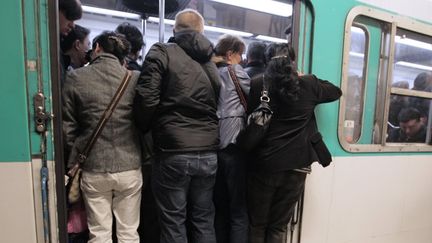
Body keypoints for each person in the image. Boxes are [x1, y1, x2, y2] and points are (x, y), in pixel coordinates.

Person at [134, 9, 221, 243]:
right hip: (209, 152)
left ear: (175, 29)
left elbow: (146, 98)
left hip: (174, 150)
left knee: (173, 221)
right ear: (202, 31)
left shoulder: (161, 52)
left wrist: (147, 129)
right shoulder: (210, 63)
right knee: (203, 219)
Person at [246, 43, 342, 243]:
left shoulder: (257, 84)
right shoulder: (308, 84)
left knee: (257, 224)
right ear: (292, 61)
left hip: (265, 165)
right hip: (297, 166)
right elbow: (336, 91)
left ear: (266, 61)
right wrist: (303, 76)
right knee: (279, 225)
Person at [63, 31, 143, 243]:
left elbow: (68, 126)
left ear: (97, 48)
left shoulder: (76, 77)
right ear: (123, 56)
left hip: (94, 166)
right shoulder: (134, 79)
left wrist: (76, 153)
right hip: (129, 165)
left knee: (99, 233)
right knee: (128, 233)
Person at [212, 34, 249, 243]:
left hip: (212, 145)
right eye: (240, 54)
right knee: (238, 209)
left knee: (219, 207)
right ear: (230, 54)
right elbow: (254, 98)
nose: (242, 59)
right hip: (234, 143)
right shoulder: (235, 72)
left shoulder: (208, 71)